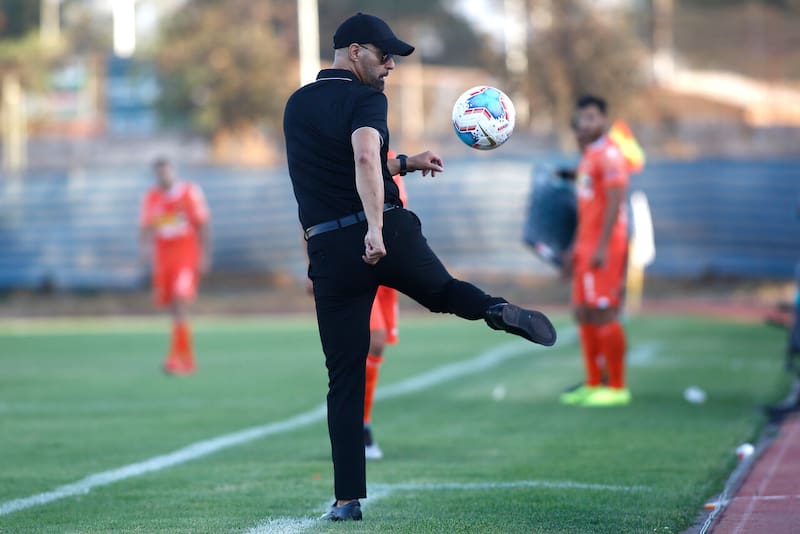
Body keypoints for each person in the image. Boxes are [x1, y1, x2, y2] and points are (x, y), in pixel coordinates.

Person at [283, 12, 557, 522]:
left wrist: (406, 162)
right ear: (356, 51)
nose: (390, 65)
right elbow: (364, 158)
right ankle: (496, 309)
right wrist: (372, 226)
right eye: (385, 55)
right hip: (382, 228)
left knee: (344, 375)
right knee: (444, 294)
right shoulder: (367, 98)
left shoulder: (297, 104)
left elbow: (348, 163)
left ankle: (346, 501)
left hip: (328, 250)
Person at [559, 95, 630, 407]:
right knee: (583, 312)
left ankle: (616, 387)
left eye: (590, 117)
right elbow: (587, 208)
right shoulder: (588, 156)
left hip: (606, 245)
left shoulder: (610, 154)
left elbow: (616, 201)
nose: (584, 124)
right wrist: (576, 247)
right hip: (587, 245)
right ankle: (592, 383)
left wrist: (601, 246)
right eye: (581, 118)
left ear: (604, 120)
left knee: (603, 311)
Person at [139, 158, 210, 375]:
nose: (163, 176)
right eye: (159, 173)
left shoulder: (189, 192)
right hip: (163, 259)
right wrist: (144, 251)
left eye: (166, 171)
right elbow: (145, 227)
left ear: (173, 171)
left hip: (185, 257)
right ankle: (185, 359)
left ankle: (176, 359)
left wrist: (205, 255)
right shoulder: (151, 197)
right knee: (173, 308)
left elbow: (203, 224)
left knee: (180, 302)